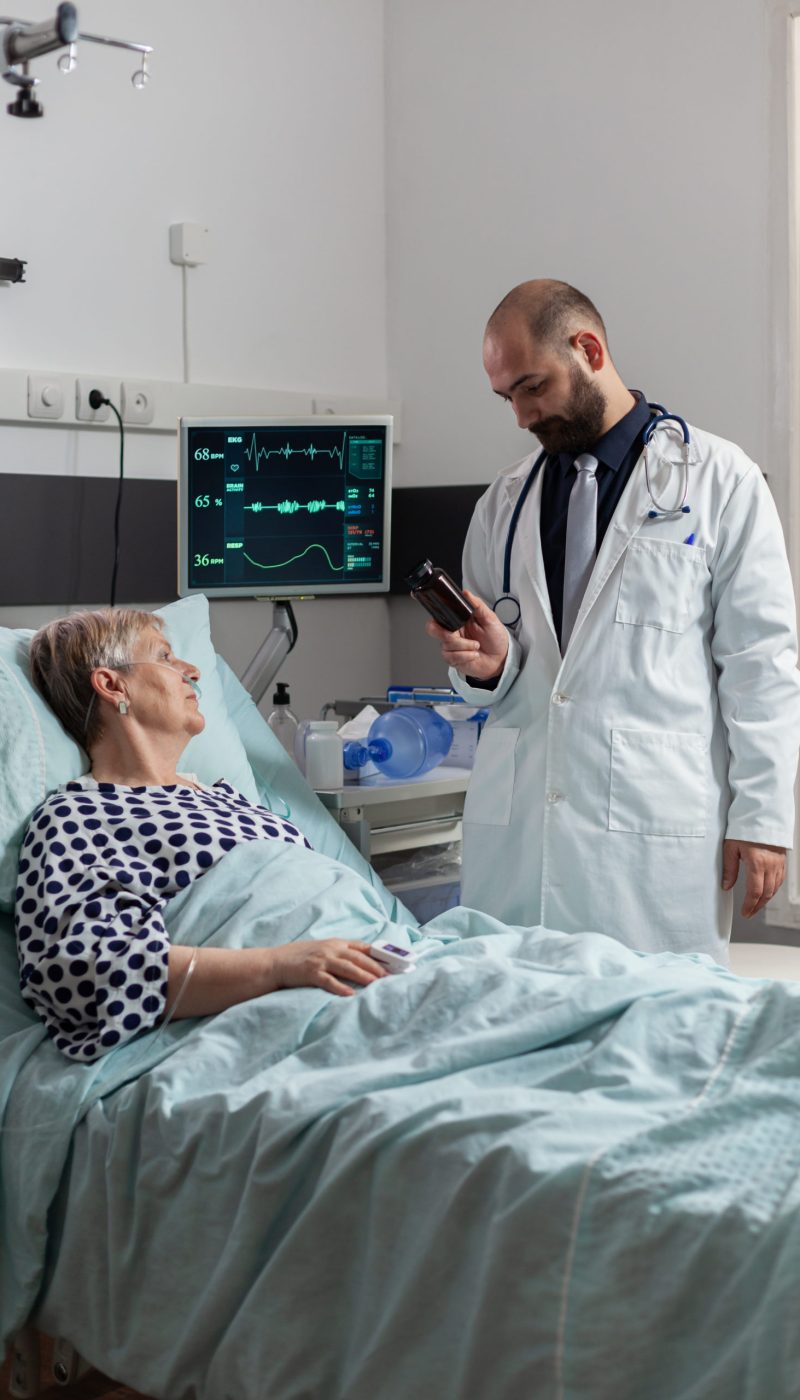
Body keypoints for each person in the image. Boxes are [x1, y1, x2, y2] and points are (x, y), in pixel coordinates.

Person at [426, 278, 800, 962]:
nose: (520, 414)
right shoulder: (503, 504)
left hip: (650, 833)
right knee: (513, 1027)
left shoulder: (719, 480)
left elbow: (763, 663)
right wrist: (488, 669)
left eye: (531, 387)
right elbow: (505, 678)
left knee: (657, 1033)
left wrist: (764, 818)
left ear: (589, 349)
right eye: (507, 396)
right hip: (521, 840)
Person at [14, 608, 387, 1062]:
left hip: (375, 954)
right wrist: (278, 966)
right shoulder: (77, 814)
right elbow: (82, 973)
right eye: (165, 656)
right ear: (113, 685)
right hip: (297, 998)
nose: (190, 671)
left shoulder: (227, 799)